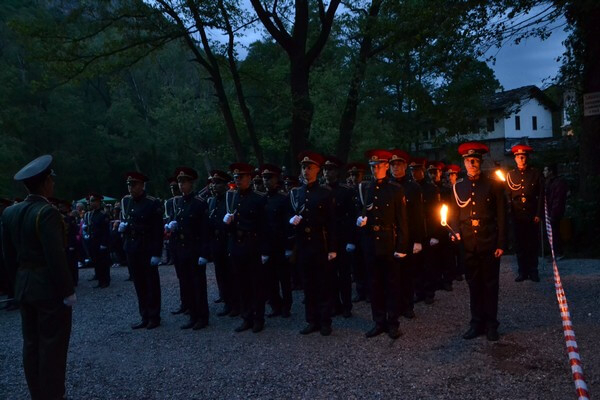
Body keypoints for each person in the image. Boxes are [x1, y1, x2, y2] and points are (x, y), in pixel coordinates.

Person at [1, 155, 76, 400]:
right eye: (51, 180)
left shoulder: (10, 213)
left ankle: (38, 394)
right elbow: (55, 257)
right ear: (45, 183)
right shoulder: (46, 213)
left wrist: (17, 284)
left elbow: (8, 257)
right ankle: (53, 395)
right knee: (52, 347)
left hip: (24, 287)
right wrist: (67, 291)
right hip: (48, 290)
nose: (53, 184)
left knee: (31, 345)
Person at [450, 142, 506, 342]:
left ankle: (492, 325)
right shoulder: (458, 187)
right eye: (468, 160)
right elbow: (454, 214)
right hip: (468, 244)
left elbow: (501, 216)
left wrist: (501, 243)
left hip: (488, 242)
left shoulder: (493, 185)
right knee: (473, 285)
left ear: (480, 161)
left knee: (490, 285)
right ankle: (476, 323)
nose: (471, 163)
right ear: (464, 163)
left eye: (474, 160)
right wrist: (454, 231)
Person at [355, 149, 409, 339]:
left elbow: (402, 220)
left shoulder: (395, 189)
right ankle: (379, 321)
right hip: (370, 242)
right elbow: (359, 211)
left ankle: (393, 322)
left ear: (387, 166)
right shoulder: (364, 188)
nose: (376, 169)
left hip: (389, 241)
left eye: (379, 165)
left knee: (392, 284)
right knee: (375, 285)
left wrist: (402, 246)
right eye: (373, 166)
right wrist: (359, 221)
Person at [288, 151, 337, 336]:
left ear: (317, 170)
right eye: (303, 167)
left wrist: (332, 248)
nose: (306, 171)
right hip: (303, 246)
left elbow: (332, 223)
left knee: (323, 284)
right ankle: (312, 320)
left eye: (310, 168)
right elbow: (290, 215)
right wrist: (291, 221)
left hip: (320, 244)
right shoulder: (296, 193)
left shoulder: (324, 192)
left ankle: (325, 321)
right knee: (308, 286)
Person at [224, 162, 268, 333]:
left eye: (241, 176)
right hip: (237, 245)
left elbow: (265, 226)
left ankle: (258, 318)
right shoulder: (232, 197)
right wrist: (227, 223)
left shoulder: (258, 197)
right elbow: (229, 227)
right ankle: (246, 317)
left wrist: (265, 250)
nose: (238, 179)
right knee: (241, 284)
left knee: (256, 284)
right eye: (236, 177)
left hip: (253, 245)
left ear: (249, 178)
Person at [119, 171, 164, 330]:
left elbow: (158, 230)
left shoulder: (152, 203)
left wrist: (157, 253)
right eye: (129, 185)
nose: (131, 188)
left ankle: (154, 316)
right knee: (139, 283)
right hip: (132, 247)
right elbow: (127, 220)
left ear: (142, 185)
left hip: (146, 248)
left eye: (134, 184)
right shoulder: (127, 202)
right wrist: (122, 227)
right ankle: (144, 315)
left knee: (151, 283)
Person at [168, 167, 210, 330]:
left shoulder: (199, 203)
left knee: (198, 285)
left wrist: (204, 253)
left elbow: (205, 230)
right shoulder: (178, 202)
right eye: (179, 182)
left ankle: (202, 317)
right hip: (182, 249)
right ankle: (193, 315)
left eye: (184, 182)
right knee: (186, 284)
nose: (181, 185)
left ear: (191, 183)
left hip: (195, 249)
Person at [389, 150, 425, 319]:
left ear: (404, 166)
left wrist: (418, 240)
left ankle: (408, 305)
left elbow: (418, 215)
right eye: (393, 165)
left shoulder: (413, 187)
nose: (395, 168)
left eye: (399, 165)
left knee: (407, 273)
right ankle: (396, 305)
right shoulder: (386, 185)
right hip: (390, 236)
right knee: (393, 274)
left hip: (408, 235)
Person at [322, 156, 355, 318]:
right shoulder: (320, 191)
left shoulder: (345, 191)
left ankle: (347, 305)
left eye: (330, 170)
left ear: (337, 172)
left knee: (344, 274)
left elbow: (350, 217)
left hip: (342, 238)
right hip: (326, 239)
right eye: (325, 170)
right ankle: (335, 304)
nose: (327, 173)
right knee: (329, 275)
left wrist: (350, 240)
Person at [506, 144, 543, 282]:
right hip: (517, 215)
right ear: (515, 159)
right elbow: (508, 196)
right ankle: (522, 271)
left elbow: (541, 195)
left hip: (531, 214)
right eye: (518, 157)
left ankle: (533, 271)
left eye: (523, 156)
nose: (521, 159)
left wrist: (538, 214)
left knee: (532, 244)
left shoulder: (535, 174)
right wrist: (510, 214)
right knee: (520, 244)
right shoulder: (510, 175)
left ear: (527, 157)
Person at [260, 164, 293, 318]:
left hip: (280, 243)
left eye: (269, 178)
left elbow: (288, 224)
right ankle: (275, 305)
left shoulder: (283, 199)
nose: (266, 181)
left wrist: (289, 246)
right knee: (269, 278)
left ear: (276, 179)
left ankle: (287, 306)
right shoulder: (262, 199)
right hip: (267, 244)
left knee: (284, 278)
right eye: (264, 178)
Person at [207, 170, 239, 317]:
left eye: (218, 183)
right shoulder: (212, 200)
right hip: (216, 241)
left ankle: (235, 303)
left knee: (232, 274)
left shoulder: (230, 198)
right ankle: (226, 301)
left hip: (228, 240)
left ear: (226, 185)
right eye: (213, 183)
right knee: (221, 274)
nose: (214, 186)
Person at [410, 157, 439, 304]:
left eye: (417, 170)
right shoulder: (409, 188)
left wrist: (435, 234)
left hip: (428, 230)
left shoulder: (431, 188)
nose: (414, 173)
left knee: (428, 264)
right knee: (415, 264)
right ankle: (418, 291)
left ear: (422, 171)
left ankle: (429, 292)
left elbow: (435, 212)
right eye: (412, 170)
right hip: (414, 231)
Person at [345, 162, 369, 303]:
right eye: (351, 175)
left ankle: (370, 292)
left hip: (365, 231)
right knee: (357, 264)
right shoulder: (349, 191)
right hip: (354, 232)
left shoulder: (366, 189)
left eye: (356, 174)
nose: (353, 177)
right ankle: (360, 291)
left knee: (367, 263)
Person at [164, 176, 186, 314]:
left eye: (175, 186)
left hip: (185, 241)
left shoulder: (184, 200)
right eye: (171, 187)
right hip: (174, 241)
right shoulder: (169, 202)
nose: (173, 189)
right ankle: (185, 303)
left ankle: (192, 304)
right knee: (181, 275)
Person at [82, 193, 111, 288]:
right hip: (93, 241)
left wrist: (104, 243)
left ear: (98, 201)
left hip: (101, 241)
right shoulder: (92, 214)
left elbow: (106, 231)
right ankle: (100, 280)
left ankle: (105, 280)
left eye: (93, 200)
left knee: (103, 262)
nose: (91, 202)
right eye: (91, 200)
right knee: (97, 261)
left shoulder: (103, 214)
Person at [543, 164, 568, 259]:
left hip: (554, 211)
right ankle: (553, 252)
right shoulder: (549, 182)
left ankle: (559, 252)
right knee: (551, 232)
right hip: (550, 211)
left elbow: (558, 199)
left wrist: (553, 213)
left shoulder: (558, 183)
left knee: (555, 232)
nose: (544, 172)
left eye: (545, 170)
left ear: (550, 172)